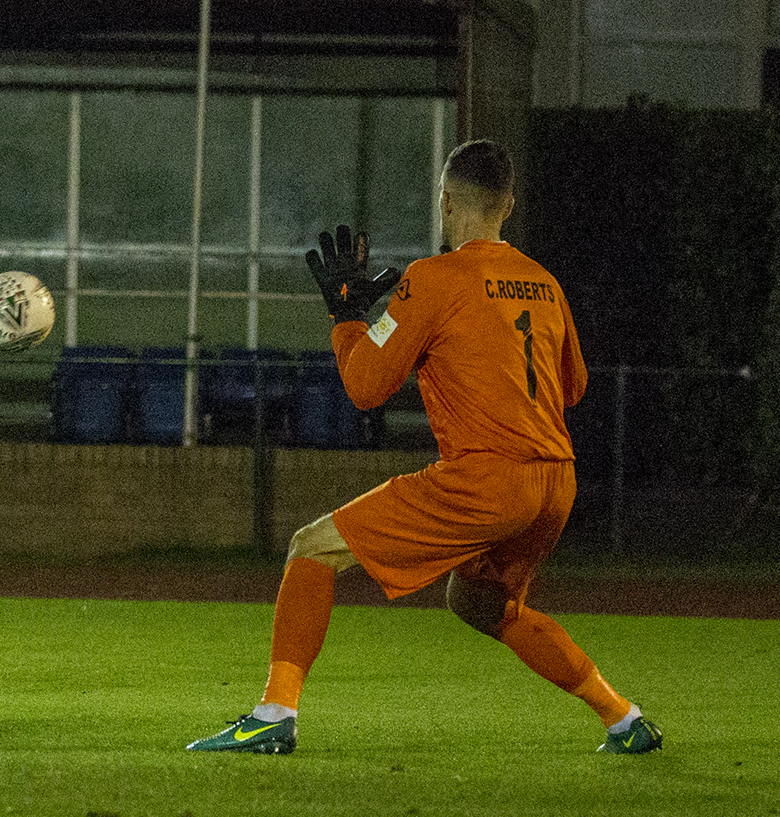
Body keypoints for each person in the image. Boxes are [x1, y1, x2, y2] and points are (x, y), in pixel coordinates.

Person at [186, 140, 663, 757]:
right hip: (556, 484)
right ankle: (623, 718)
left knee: (312, 549)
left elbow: (365, 387)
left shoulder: (430, 279)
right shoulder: (545, 283)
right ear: (508, 206)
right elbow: (573, 388)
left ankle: (273, 714)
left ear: (444, 199)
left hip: (487, 480)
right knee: (479, 604)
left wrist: (349, 316)